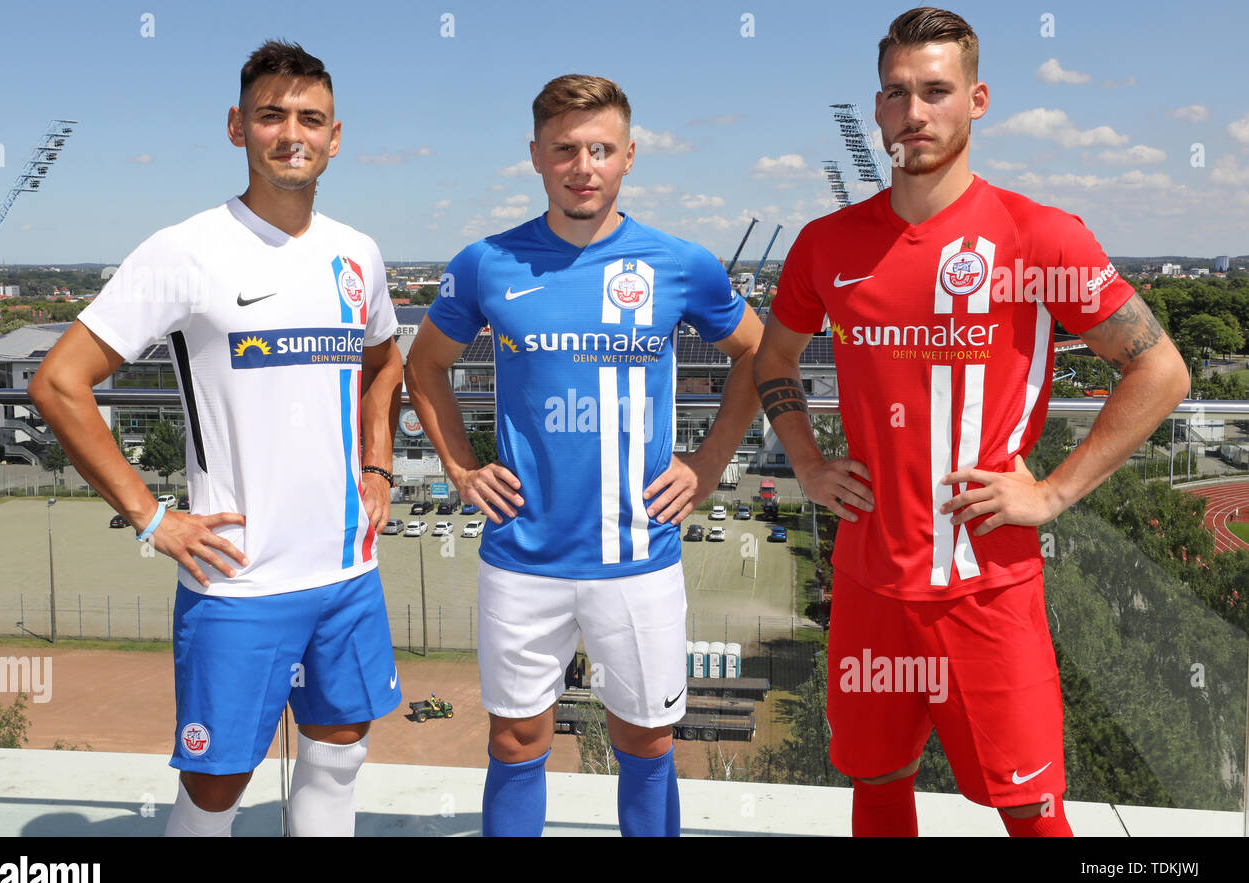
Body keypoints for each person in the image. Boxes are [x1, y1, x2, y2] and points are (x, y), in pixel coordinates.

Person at [753, 7, 1189, 836]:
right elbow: (773, 360)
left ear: (977, 100)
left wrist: (1055, 495)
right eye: (896, 94)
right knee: (877, 784)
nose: (913, 112)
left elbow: (1161, 370)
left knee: (1030, 811)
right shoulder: (825, 244)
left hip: (987, 588)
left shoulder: (1040, 236)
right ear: (877, 110)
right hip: (869, 579)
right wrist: (807, 465)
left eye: (936, 91)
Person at [28, 41, 404, 837]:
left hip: (348, 570)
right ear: (238, 127)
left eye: (310, 118)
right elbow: (58, 382)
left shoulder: (357, 253)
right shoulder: (186, 249)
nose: (291, 133)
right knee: (214, 789)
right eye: (271, 115)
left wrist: (377, 461)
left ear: (336, 137)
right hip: (238, 584)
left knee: (340, 758)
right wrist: (152, 517)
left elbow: (385, 361)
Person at [404, 74, 763, 837]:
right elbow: (422, 365)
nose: (583, 165)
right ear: (536, 156)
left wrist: (707, 463)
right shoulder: (485, 263)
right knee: (514, 741)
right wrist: (460, 468)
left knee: (647, 743)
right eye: (565, 148)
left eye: (601, 149)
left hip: (639, 556)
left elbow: (758, 355)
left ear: (629, 156)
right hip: (521, 555)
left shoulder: (680, 263)